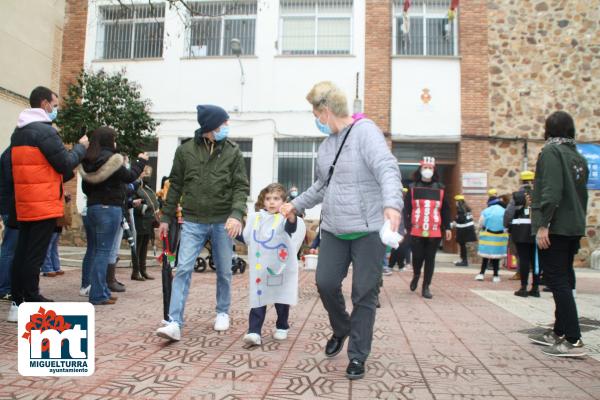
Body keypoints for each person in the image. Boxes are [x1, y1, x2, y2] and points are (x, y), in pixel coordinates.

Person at [281, 81, 403, 380]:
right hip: (335, 228)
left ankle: (358, 355)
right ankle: (342, 327)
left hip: (368, 230)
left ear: (325, 111)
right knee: (324, 283)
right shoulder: (326, 147)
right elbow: (321, 186)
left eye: (315, 113)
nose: (316, 120)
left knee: (364, 293)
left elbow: (387, 168)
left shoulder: (366, 133)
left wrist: (392, 204)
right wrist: (295, 204)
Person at [156, 104, 249, 341]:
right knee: (183, 267)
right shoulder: (185, 151)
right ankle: (174, 321)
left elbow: (240, 186)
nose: (227, 127)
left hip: (222, 220)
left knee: (225, 270)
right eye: (223, 123)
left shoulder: (233, 151)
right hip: (193, 221)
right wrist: (166, 218)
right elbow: (174, 185)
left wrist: (237, 214)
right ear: (210, 127)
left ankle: (222, 312)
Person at [7, 86, 88, 322]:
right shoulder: (45, 132)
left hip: (25, 202)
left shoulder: (18, 132)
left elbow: (42, 167)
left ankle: (18, 299)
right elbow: (64, 163)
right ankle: (30, 299)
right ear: (44, 104)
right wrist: (80, 148)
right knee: (34, 255)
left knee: (22, 253)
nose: (55, 109)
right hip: (42, 203)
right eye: (54, 104)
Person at [528, 111, 588, 357]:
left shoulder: (552, 152)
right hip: (573, 225)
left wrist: (544, 225)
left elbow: (551, 191)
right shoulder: (577, 156)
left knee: (556, 280)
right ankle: (559, 331)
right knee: (564, 276)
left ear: (548, 130)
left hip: (556, 227)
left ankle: (573, 339)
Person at [79, 126, 148, 305]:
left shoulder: (88, 159)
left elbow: (85, 188)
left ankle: (99, 289)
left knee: (94, 251)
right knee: (103, 252)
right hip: (109, 209)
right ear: (110, 140)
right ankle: (98, 294)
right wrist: (140, 162)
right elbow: (129, 176)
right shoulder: (113, 159)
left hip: (92, 208)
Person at [242, 183, 303, 345]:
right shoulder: (256, 218)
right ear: (263, 201)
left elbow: (291, 228)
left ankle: (282, 325)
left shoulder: (284, 218)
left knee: (281, 299)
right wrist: (235, 231)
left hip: (280, 268)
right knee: (258, 298)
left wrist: (291, 218)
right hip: (261, 269)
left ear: (283, 202)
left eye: (276, 199)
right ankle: (254, 331)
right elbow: (248, 237)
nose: (271, 202)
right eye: (268, 198)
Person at [404, 157, 452, 299]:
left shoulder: (441, 188)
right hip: (416, 229)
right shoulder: (412, 188)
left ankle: (426, 286)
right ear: (420, 169)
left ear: (434, 170)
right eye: (425, 168)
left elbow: (446, 210)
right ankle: (416, 274)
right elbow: (406, 209)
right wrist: (406, 227)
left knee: (430, 259)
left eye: (430, 168)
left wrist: (447, 227)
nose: (428, 171)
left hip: (434, 230)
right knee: (417, 257)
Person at [504, 171, 539, 297]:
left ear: (521, 181)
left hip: (520, 231)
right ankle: (535, 288)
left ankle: (523, 287)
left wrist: (507, 226)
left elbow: (509, 213)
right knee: (536, 259)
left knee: (523, 258)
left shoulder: (517, 195)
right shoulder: (538, 194)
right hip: (536, 231)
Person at [133, 165, 160, 281]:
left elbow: (153, 201)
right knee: (137, 247)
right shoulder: (135, 187)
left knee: (144, 246)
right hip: (139, 220)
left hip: (148, 221)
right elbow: (133, 203)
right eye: (145, 173)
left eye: (149, 174)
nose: (147, 176)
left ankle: (143, 270)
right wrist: (144, 208)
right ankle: (135, 271)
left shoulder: (148, 188)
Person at [475, 193, 508, 283]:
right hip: (499, 238)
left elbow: (480, 223)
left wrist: (478, 231)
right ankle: (495, 275)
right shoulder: (504, 210)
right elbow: (507, 224)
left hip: (487, 237)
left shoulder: (486, 211)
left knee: (485, 257)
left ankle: (481, 274)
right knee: (496, 258)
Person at [0, 146, 17, 302]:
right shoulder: (11, 155)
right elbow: (14, 179)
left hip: (8, 205)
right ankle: (4, 288)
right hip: (11, 207)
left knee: (10, 248)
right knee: (9, 248)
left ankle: (6, 286)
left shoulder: (8, 153)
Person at [452, 194, 477, 267]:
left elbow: (461, 220)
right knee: (463, 246)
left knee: (462, 246)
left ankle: (464, 261)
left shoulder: (461, 210)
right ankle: (463, 260)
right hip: (468, 230)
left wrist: (454, 221)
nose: (455, 203)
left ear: (458, 202)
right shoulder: (467, 209)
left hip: (463, 230)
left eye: (456, 201)